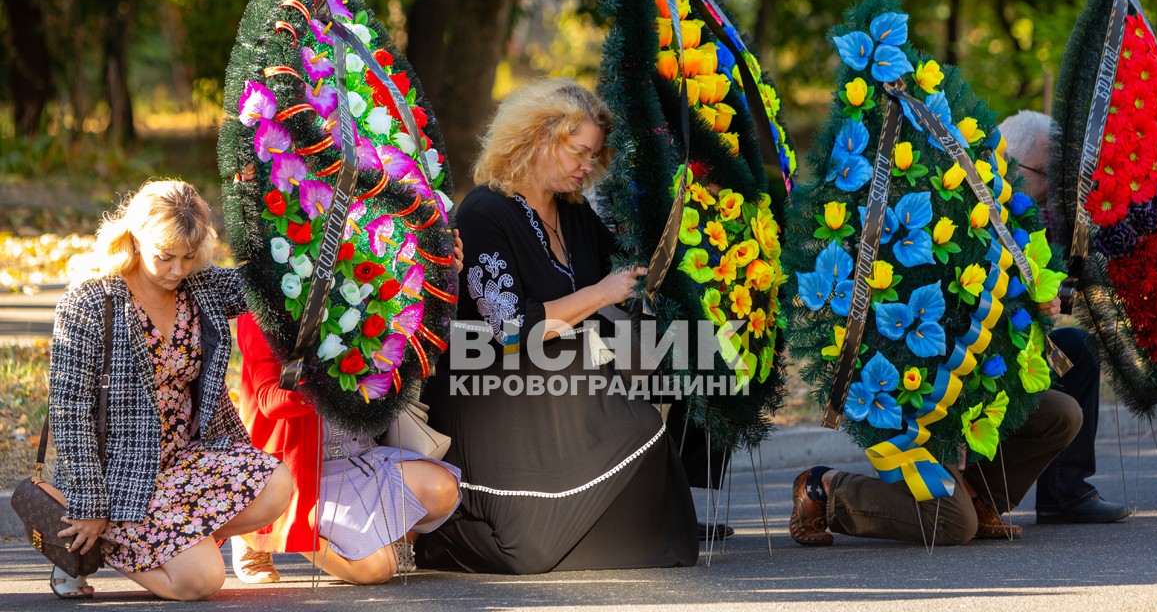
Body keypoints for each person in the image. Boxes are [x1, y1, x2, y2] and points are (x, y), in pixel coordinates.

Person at [418, 78, 699, 573]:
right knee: (629, 422)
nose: (587, 167)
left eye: (594, 156)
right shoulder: (485, 212)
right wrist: (601, 294)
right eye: (579, 152)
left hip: (559, 372)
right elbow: (508, 329)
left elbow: (624, 274)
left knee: (682, 359)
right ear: (538, 138)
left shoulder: (573, 212)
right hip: (493, 384)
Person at [48, 180, 292, 600]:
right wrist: (90, 506)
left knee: (277, 486)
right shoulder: (90, 301)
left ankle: (163, 540)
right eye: (165, 256)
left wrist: (255, 201)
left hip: (186, 462)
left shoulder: (202, 287)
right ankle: (106, 540)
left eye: (189, 257)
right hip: (121, 481)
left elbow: (267, 281)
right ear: (136, 237)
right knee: (201, 582)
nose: (178, 270)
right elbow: (68, 413)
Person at [232, 314, 462, 585]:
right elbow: (270, 401)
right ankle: (262, 523)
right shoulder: (263, 310)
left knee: (443, 489)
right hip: (298, 475)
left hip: (357, 457)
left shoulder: (365, 293)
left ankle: (382, 536)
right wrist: (332, 382)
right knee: (378, 570)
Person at [998, 109, 1131, 524]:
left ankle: (1064, 493)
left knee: (1078, 348)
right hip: (983, 351)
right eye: (1046, 173)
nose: (1051, 188)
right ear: (1012, 164)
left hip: (1023, 341)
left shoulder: (1033, 209)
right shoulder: (974, 207)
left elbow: (1065, 284)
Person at [790, 386, 1082, 546]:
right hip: (912, 399)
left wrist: (1040, 306)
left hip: (975, 388)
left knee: (1061, 413)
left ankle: (974, 495)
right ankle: (826, 488)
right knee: (954, 526)